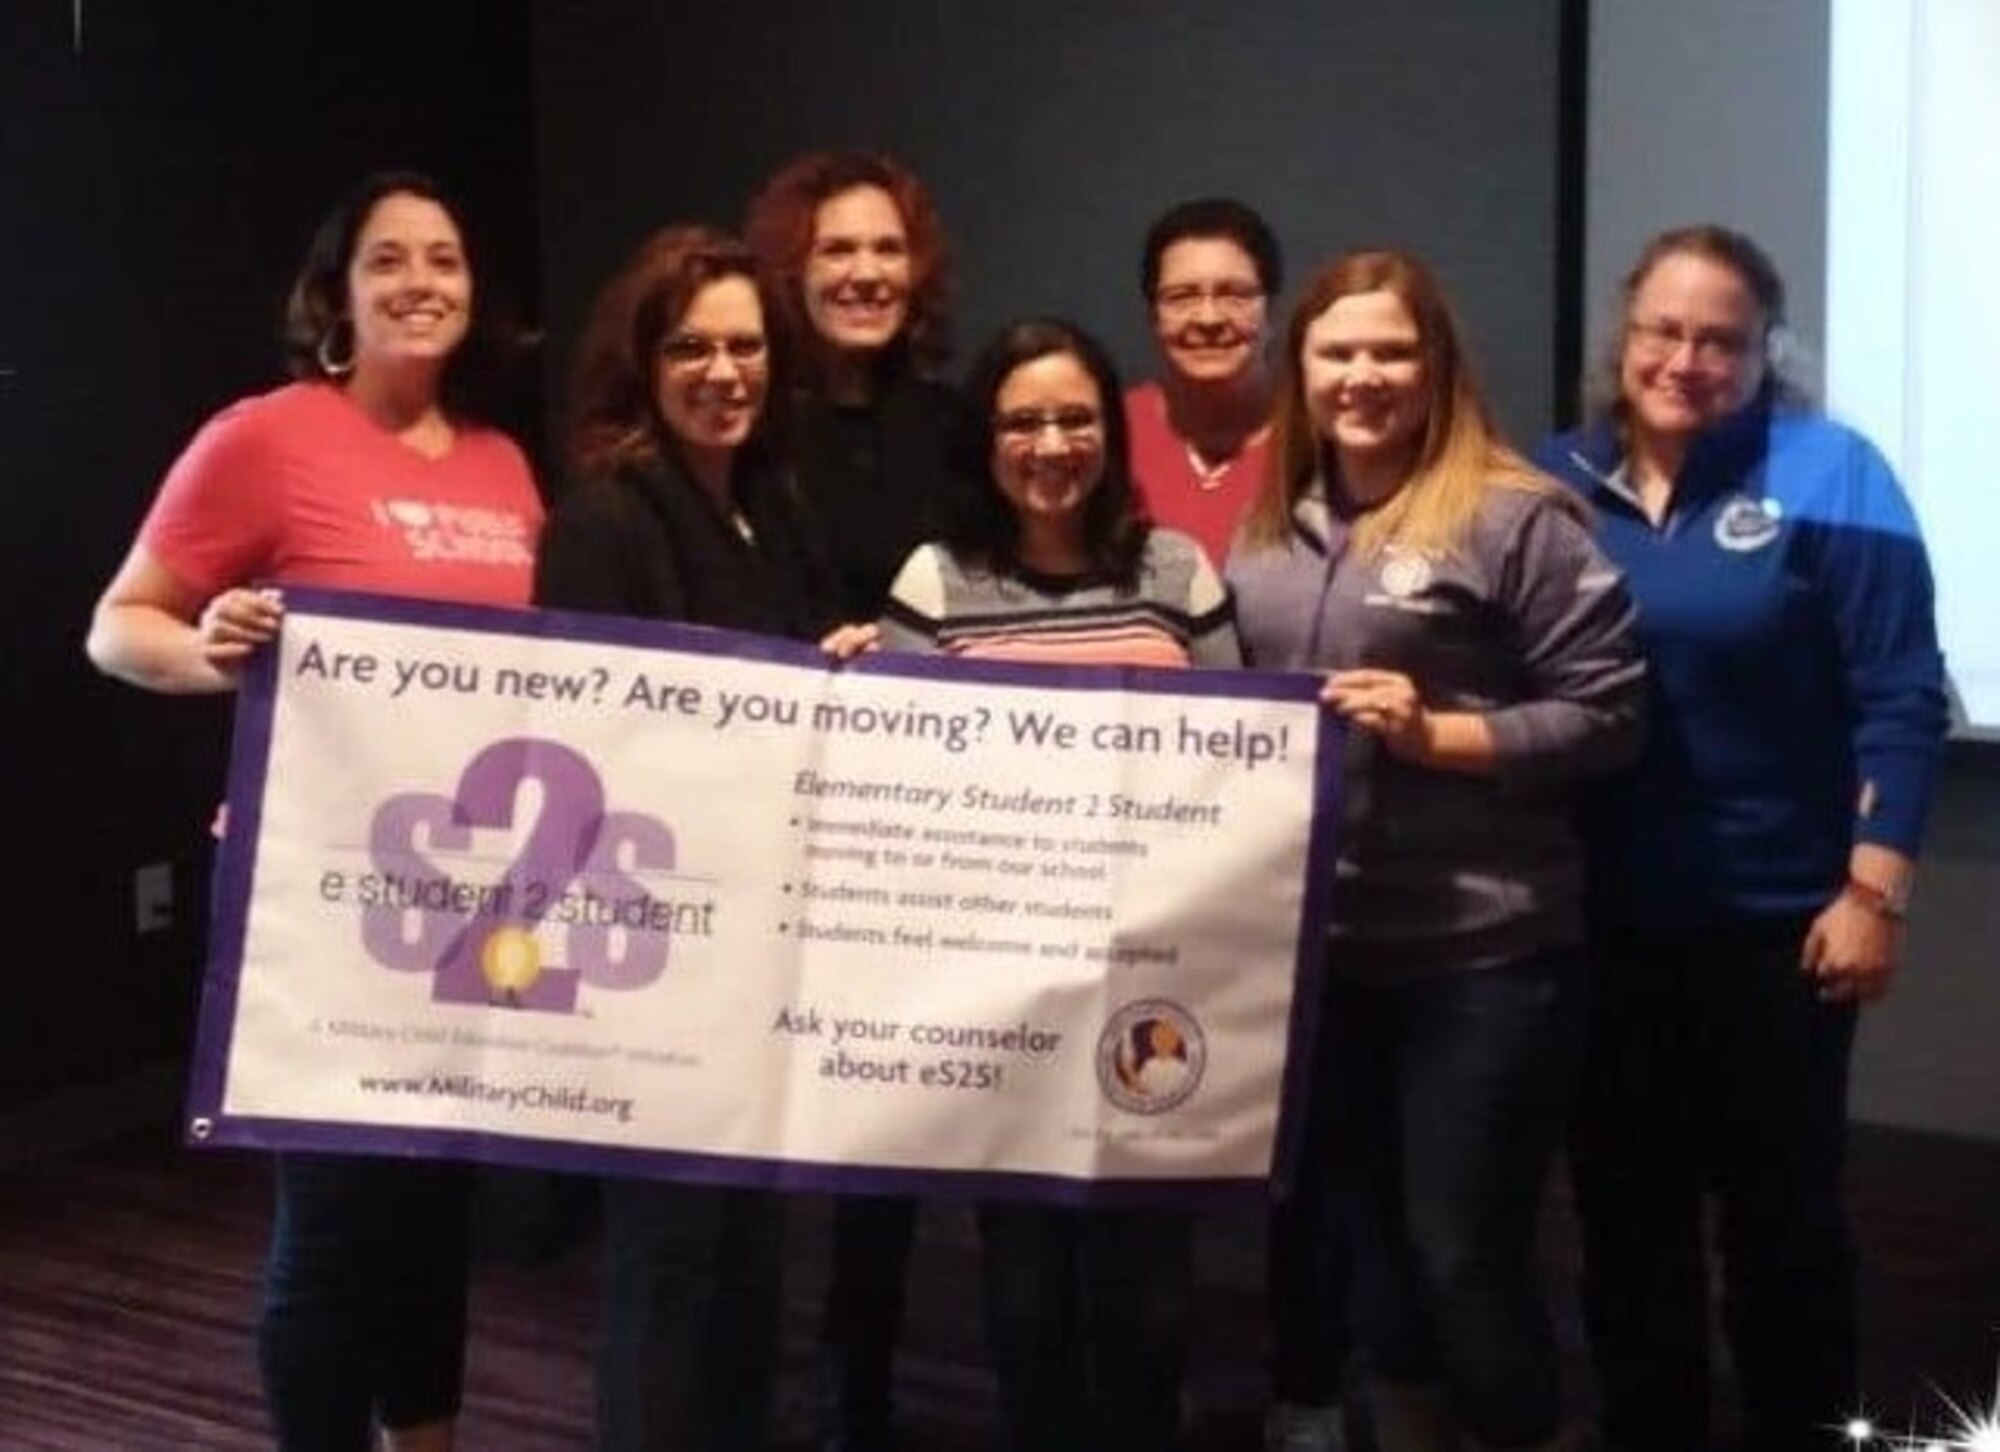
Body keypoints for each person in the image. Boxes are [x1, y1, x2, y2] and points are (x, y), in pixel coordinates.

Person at [85, 171, 544, 1451]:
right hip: (318, 895)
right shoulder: (267, 436)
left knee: (434, 1209)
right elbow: (119, 629)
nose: (419, 283)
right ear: (339, 295)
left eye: (443, 260)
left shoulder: (505, 466)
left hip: (469, 898)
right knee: (335, 1217)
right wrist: (219, 654)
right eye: (388, 261)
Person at [1533, 225, 1949, 1452]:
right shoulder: (1548, 476)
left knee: (1783, 1230)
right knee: (1623, 1228)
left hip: (1781, 931)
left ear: (1764, 351)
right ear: (1624, 333)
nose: (1684, 359)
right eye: (1662, 330)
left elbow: (1900, 693)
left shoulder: (1832, 472)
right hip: (1597, 926)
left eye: (1719, 339)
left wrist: (1873, 892)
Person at [1228, 249, 1644, 1452]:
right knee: (1376, 1251)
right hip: (1328, 957)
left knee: (1466, 1253)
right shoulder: (1269, 526)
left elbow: (1610, 716)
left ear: (1436, 366)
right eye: (1335, 352)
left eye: (1388, 351)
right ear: (1298, 370)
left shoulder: (1515, 516)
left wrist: (1437, 734)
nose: (1361, 375)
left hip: (1483, 958)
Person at [876, 317, 1237, 1452]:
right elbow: (890, 782)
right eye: (1022, 420)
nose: (1050, 443)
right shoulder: (934, 582)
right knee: (1025, 1289)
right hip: (1004, 998)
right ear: (986, 439)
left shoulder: (1173, 569)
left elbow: (1244, 757)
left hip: (1155, 984)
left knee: (1149, 1293)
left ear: (1108, 434)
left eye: (1074, 418)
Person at [533, 224, 840, 1452]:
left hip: (758, 944)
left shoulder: (772, 503)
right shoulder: (607, 517)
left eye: (747, 346)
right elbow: (599, 740)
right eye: (693, 346)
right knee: (667, 1266)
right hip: (655, 948)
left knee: (748, 1257)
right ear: (643, 364)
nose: (725, 371)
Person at [743, 148, 963, 1452]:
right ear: (793, 269)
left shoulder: (952, 423)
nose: (866, 274)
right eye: (839, 252)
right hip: (773, 807)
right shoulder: (746, 417)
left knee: (886, 1125)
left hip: (921, 818)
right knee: (760, 1116)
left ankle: (856, 1392)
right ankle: (746, 1378)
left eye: (887, 250)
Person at [1124, 197, 1283, 569]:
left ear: (1271, 308)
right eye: (1181, 297)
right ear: (1154, 317)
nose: (1209, 317)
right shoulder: (1110, 433)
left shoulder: (1318, 438)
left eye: (1234, 295)